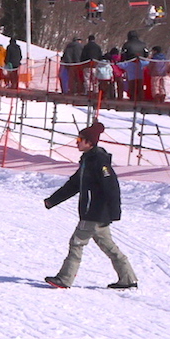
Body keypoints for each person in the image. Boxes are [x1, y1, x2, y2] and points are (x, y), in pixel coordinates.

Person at [43, 122, 138, 290]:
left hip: (94, 213)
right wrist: (53, 200)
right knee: (109, 247)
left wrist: (114, 211)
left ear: (89, 142)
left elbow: (111, 186)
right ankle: (128, 278)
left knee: (77, 243)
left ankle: (64, 279)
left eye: (80, 139)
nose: (77, 142)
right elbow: (73, 185)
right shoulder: (88, 160)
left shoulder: (99, 161)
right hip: (95, 213)